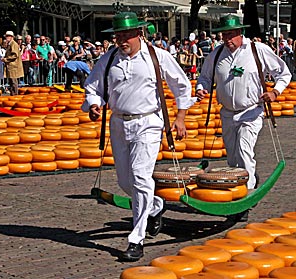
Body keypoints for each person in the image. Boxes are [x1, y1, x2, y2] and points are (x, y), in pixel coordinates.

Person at [82, 12, 194, 262]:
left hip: (148, 122)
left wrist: (180, 117)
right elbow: (92, 86)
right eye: (117, 35)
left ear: (139, 34)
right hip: (119, 123)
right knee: (125, 182)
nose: (121, 40)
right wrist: (93, 104)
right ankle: (154, 206)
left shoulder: (157, 56)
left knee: (141, 177)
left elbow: (182, 85)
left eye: (126, 35)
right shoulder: (109, 58)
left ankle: (136, 238)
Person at [195, 14, 291, 190]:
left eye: (231, 34)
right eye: (224, 35)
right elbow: (204, 77)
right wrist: (201, 88)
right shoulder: (217, 54)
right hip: (227, 113)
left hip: (251, 111)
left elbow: (284, 73)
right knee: (232, 157)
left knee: (244, 151)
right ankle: (241, 182)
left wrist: (275, 92)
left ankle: (247, 191)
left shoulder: (257, 50)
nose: (227, 39)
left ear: (240, 32)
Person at [1, 31, 24, 96]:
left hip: (13, 66)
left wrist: (5, 59)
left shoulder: (13, 44)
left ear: (12, 37)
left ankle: (15, 95)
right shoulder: (10, 44)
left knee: (14, 82)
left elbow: (15, 55)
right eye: (6, 36)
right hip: (11, 66)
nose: (6, 37)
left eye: (8, 36)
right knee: (11, 82)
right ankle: (13, 94)